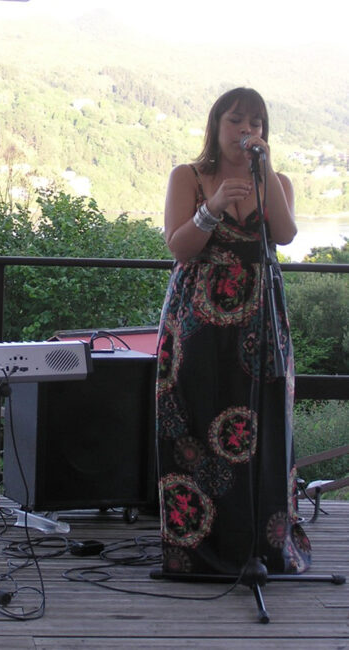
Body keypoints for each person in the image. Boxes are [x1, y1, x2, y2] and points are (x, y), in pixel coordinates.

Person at [155, 87, 311, 577]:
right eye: (236, 121)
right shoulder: (188, 176)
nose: (247, 131)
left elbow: (284, 234)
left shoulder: (275, 180)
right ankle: (202, 550)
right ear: (216, 125)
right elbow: (180, 247)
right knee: (196, 422)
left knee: (263, 428)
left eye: (256, 123)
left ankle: (260, 546)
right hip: (197, 320)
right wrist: (215, 204)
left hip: (260, 320)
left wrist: (266, 172)